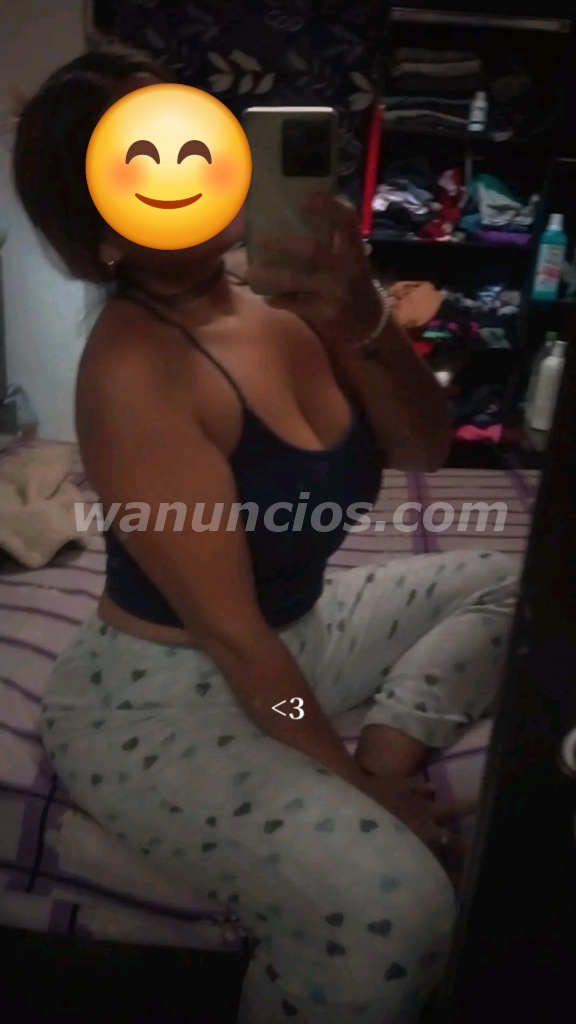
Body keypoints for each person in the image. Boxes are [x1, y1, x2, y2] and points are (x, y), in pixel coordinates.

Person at [14, 45, 518, 1024]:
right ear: (104, 229)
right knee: (399, 911)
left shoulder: (284, 296)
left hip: (304, 636)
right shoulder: (136, 369)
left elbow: (424, 446)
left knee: (507, 584)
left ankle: (395, 739)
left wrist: (363, 308)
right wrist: (349, 784)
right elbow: (237, 639)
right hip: (166, 701)